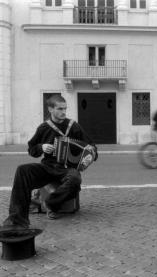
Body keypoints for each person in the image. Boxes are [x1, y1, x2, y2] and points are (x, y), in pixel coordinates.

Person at [2, 94, 97, 229]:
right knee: (22, 171)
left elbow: (91, 146)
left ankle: (51, 203)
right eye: (59, 109)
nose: (63, 112)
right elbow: (32, 149)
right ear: (50, 109)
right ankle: (17, 220)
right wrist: (42, 147)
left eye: (65, 109)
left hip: (66, 169)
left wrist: (90, 155)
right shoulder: (44, 128)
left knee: (75, 178)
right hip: (47, 167)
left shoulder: (73, 126)